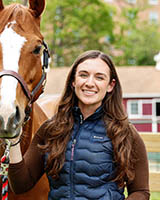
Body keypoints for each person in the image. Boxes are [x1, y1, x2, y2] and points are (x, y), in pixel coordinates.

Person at [8, 50, 150, 199]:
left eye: (99, 77)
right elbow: (21, 185)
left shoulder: (124, 132)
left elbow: (141, 192)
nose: (89, 83)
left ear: (110, 85)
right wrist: (13, 141)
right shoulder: (51, 130)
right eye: (83, 75)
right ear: (73, 81)